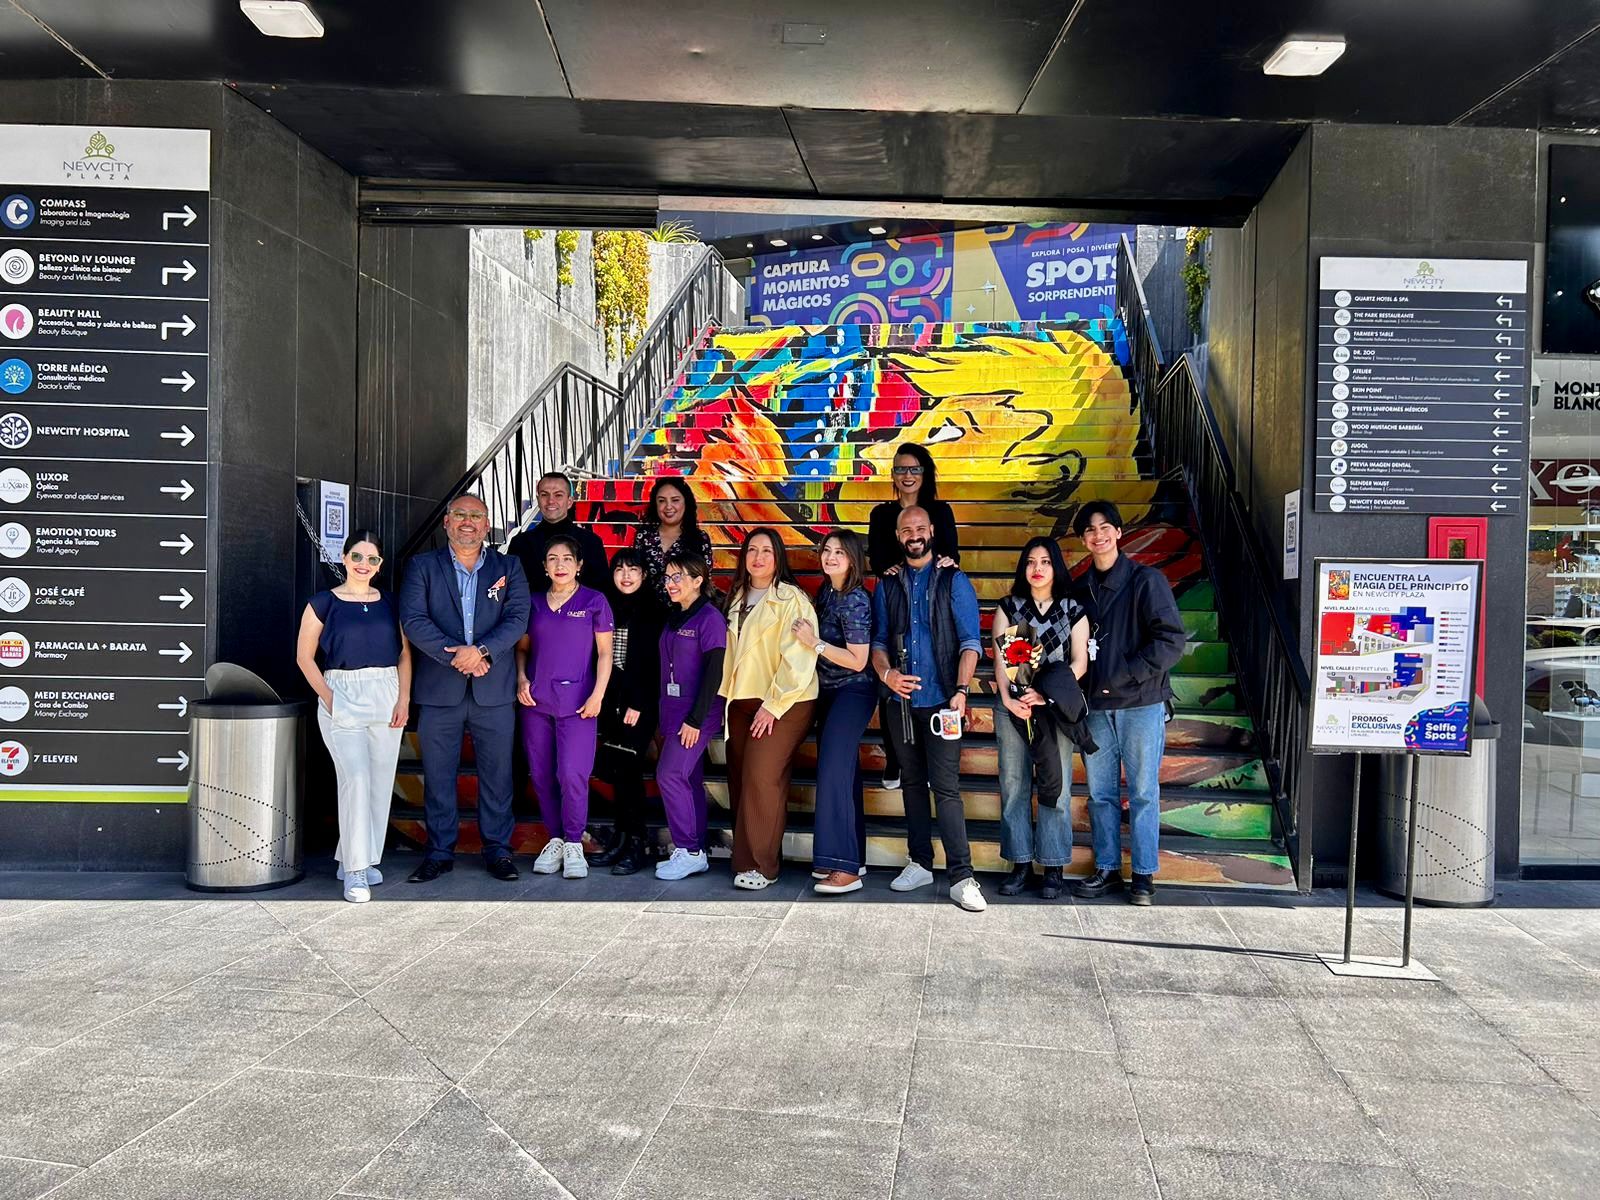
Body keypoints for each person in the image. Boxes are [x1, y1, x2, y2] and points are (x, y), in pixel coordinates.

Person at [400, 494, 531, 883]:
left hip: (494, 691)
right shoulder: (422, 566)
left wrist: (481, 651)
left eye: (476, 515)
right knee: (438, 776)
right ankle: (439, 852)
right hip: (439, 690)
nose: (468, 521)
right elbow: (414, 620)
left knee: (498, 776)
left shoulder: (509, 566)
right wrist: (457, 657)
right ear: (446, 522)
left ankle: (498, 850)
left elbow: (518, 617)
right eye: (460, 514)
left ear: (487, 524)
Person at [1070, 500, 1187, 906]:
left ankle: (1143, 874)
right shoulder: (1078, 588)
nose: (1098, 535)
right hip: (1095, 708)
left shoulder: (1146, 580)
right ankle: (1105, 867)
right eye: (1089, 529)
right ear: (1083, 539)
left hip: (1141, 702)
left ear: (1119, 532)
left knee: (1142, 793)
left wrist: (1127, 673)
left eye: (1105, 527)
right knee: (1100, 794)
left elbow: (1171, 640)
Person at [871, 506, 986, 912]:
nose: (914, 535)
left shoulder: (954, 579)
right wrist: (887, 676)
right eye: (907, 530)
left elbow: (971, 642)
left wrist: (961, 690)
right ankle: (919, 862)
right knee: (913, 785)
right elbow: (878, 642)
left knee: (947, 789)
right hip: (901, 705)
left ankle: (962, 876)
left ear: (932, 530)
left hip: (944, 703)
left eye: (920, 528)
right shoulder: (887, 584)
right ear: (898, 536)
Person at [296, 530, 413, 903]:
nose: (364, 564)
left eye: (372, 559)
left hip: (386, 691)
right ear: (344, 558)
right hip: (342, 691)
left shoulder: (391, 603)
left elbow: (404, 654)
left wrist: (403, 698)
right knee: (356, 779)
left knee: (379, 782)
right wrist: (330, 698)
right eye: (357, 556)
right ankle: (356, 872)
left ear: (380, 565)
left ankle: (355, 858)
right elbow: (304, 657)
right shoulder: (322, 603)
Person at [991, 537, 1091, 901]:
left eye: (1045, 561)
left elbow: (1079, 663)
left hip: (1054, 710)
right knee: (1014, 784)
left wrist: (1046, 695)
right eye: (1031, 561)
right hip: (1014, 708)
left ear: (1056, 566)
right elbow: (1001, 661)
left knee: (1055, 786)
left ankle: (1053, 865)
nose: (1037, 568)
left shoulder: (1072, 609)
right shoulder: (1009, 607)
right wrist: (1008, 698)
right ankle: (1020, 863)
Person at [720, 528, 818, 889]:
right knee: (740, 777)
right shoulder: (736, 596)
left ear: (778, 558)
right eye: (752, 550)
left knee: (761, 776)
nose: (758, 557)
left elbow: (799, 660)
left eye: (767, 551)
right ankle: (744, 859)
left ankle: (762, 867)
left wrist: (773, 706)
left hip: (786, 701)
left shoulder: (792, 599)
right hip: (740, 700)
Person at [516, 534, 614, 880]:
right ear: (544, 567)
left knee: (572, 774)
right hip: (536, 701)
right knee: (542, 774)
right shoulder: (533, 603)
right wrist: (521, 679)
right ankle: (555, 839)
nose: (560, 565)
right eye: (553, 559)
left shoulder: (594, 601)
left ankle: (574, 842)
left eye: (567, 559)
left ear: (579, 565)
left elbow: (605, 653)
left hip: (579, 704)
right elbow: (522, 649)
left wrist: (598, 694)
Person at [866, 442, 959, 793]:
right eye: (901, 469)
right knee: (887, 669)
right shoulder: (882, 515)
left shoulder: (940, 512)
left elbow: (951, 554)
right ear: (892, 474)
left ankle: (933, 757)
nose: (907, 475)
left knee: (934, 674)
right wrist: (889, 569)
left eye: (914, 468)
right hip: (895, 599)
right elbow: (877, 559)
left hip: (933, 603)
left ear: (925, 473)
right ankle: (895, 757)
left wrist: (947, 561)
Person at [792, 529, 874, 895]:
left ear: (853, 558)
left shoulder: (855, 599)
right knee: (844, 773)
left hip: (853, 692)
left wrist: (814, 643)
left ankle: (845, 869)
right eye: (827, 550)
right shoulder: (827, 591)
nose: (831, 557)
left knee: (832, 771)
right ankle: (852, 858)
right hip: (828, 692)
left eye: (840, 552)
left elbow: (858, 660)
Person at [654, 553, 727, 881]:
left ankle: (688, 850)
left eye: (678, 577)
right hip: (672, 710)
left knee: (669, 774)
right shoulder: (675, 615)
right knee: (688, 779)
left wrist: (696, 720)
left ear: (698, 580)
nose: (671, 583)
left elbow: (714, 671)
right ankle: (696, 849)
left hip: (697, 713)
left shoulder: (709, 618)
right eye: (668, 577)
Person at [590, 547, 663, 875]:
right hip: (611, 701)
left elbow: (656, 663)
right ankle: (620, 840)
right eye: (620, 569)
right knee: (618, 773)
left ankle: (637, 844)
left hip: (639, 705)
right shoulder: (605, 604)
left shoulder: (655, 609)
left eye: (633, 569)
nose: (626, 576)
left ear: (644, 575)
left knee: (630, 773)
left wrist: (639, 703)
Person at [506, 471, 609, 593]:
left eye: (558, 495)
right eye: (544, 495)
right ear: (538, 500)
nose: (551, 501)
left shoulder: (591, 542)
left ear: (569, 501)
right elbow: (511, 589)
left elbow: (600, 590)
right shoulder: (520, 543)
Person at [635, 476, 714, 604]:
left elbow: (704, 581)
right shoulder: (644, 535)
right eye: (662, 501)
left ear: (686, 503)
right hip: (648, 609)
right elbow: (637, 574)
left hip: (685, 610)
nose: (668, 506)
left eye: (675, 500)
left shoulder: (699, 539)